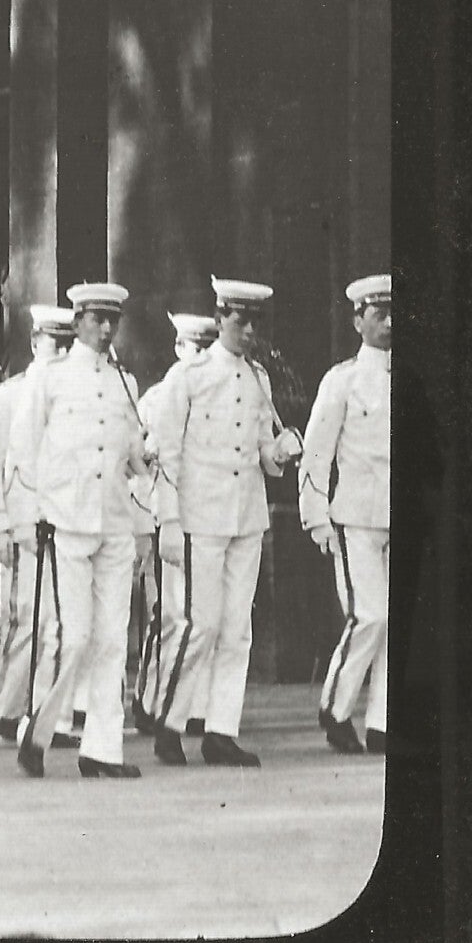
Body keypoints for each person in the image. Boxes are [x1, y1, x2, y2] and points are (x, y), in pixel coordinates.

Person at [147, 277, 302, 767]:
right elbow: (167, 454)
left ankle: (221, 731)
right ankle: (170, 722)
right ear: (219, 319)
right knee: (200, 625)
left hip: (246, 517)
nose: (249, 331)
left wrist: (280, 453)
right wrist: (170, 521)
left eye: (256, 322)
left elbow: (263, 451)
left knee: (238, 630)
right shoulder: (188, 377)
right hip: (201, 517)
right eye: (240, 320)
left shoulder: (258, 378)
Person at [7, 283, 148, 778]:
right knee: (75, 637)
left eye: (113, 320)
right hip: (65, 522)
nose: (106, 329)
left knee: (112, 640)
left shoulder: (124, 383)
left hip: (114, 521)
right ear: (77, 321)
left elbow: (134, 456)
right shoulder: (51, 378)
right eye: (96, 319)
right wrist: (27, 518)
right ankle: (38, 732)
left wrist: (147, 471)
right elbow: (22, 453)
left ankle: (103, 749)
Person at [301, 274, 391, 757]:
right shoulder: (343, 380)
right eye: (380, 314)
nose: (390, 323)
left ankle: (383, 723)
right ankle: (335, 709)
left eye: (395, 314)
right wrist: (316, 517)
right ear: (359, 321)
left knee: (398, 625)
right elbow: (316, 453)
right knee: (369, 616)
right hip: (356, 516)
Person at [0, 304, 73, 740]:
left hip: (65, 521)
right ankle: (10, 708)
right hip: (23, 522)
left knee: (60, 622)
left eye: (68, 344)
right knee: (27, 619)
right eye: (55, 343)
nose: (62, 352)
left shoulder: (75, 392)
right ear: (35, 343)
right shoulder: (8, 396)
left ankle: (46, 715)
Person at [131, 313, 217, 734]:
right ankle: (148, 698)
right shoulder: (156, 398)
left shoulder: (218, 394)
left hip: (204, 517)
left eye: (207, 348)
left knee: (201, 618)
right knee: (166, 614)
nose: (201, 356)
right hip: (161, 515)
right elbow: (139, 460)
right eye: (194, 348)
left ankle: (193, 707)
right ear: (178, 348)